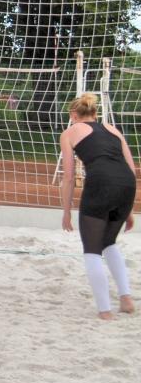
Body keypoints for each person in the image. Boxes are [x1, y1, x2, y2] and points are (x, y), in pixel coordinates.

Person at [59, 92, 136, 319]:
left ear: (74, 115)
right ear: (94, 113)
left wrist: (66, 212)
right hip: (126, 185)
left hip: (101, 183)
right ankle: (126, 298)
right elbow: (131, 168)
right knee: (108, 242)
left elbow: (69, 177)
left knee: (92, 250)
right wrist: (128, 209)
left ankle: (105, 311)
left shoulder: (70, 132)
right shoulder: (112, 129)